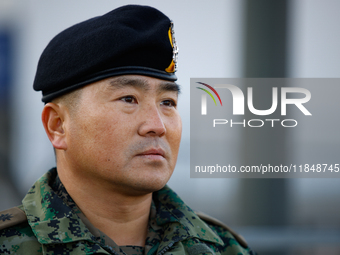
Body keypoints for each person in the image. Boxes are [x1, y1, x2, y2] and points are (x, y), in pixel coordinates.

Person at [0, 5, 256, 255]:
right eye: (128, 99)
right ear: (58, 125)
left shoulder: (222, 247)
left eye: (167, 102)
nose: (157, 126)